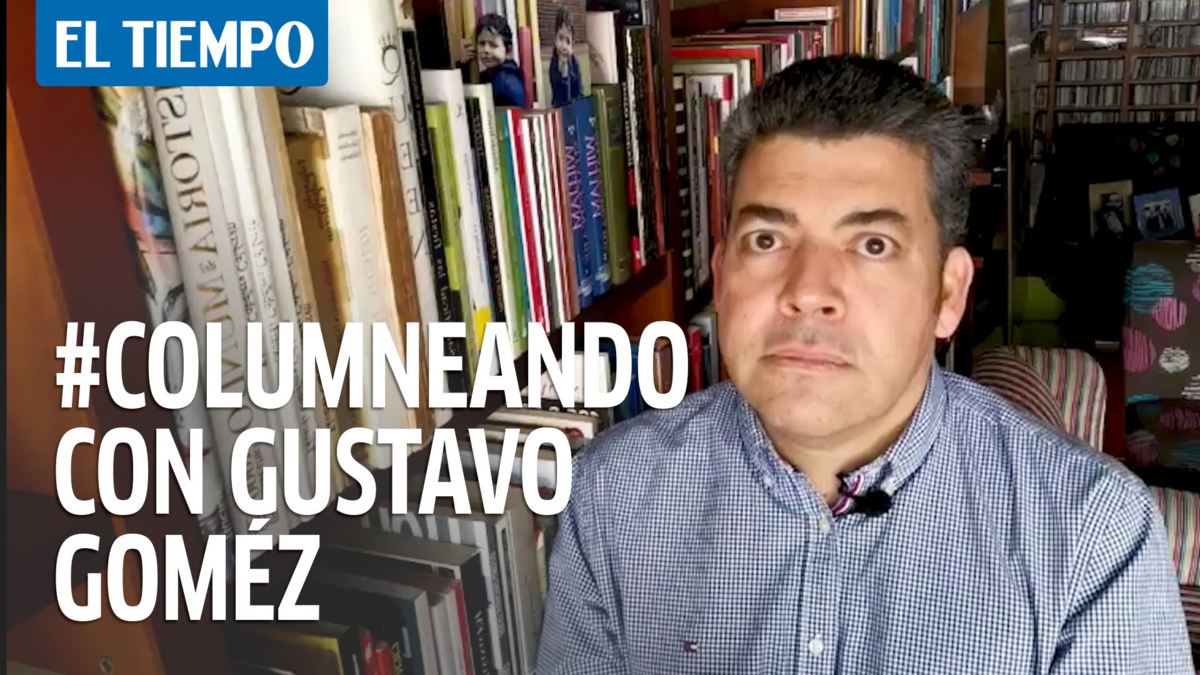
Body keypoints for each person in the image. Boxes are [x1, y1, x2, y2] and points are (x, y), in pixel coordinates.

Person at [536, 56, 1193, 673]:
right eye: (767, 239)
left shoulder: (1092, 535)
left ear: (948, 294)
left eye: (872, 244)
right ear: (722, 273)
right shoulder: (609, 494)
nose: (808, 291)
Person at [464, 14, 525, 108]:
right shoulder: (488, 74)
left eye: (493, 45)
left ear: (508, 49)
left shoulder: (508, 81)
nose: (486, 50)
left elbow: (517, 110)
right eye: (482, 43)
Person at [549, 6, 583, 107]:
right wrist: (564, 72)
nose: (563, 46)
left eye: (567, 41)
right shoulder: (554, 64)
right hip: (560, 109)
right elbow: (561, 97)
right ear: (555, 37)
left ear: (572, 44)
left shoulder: (574, 63)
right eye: (560, 38)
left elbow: (579, 90)